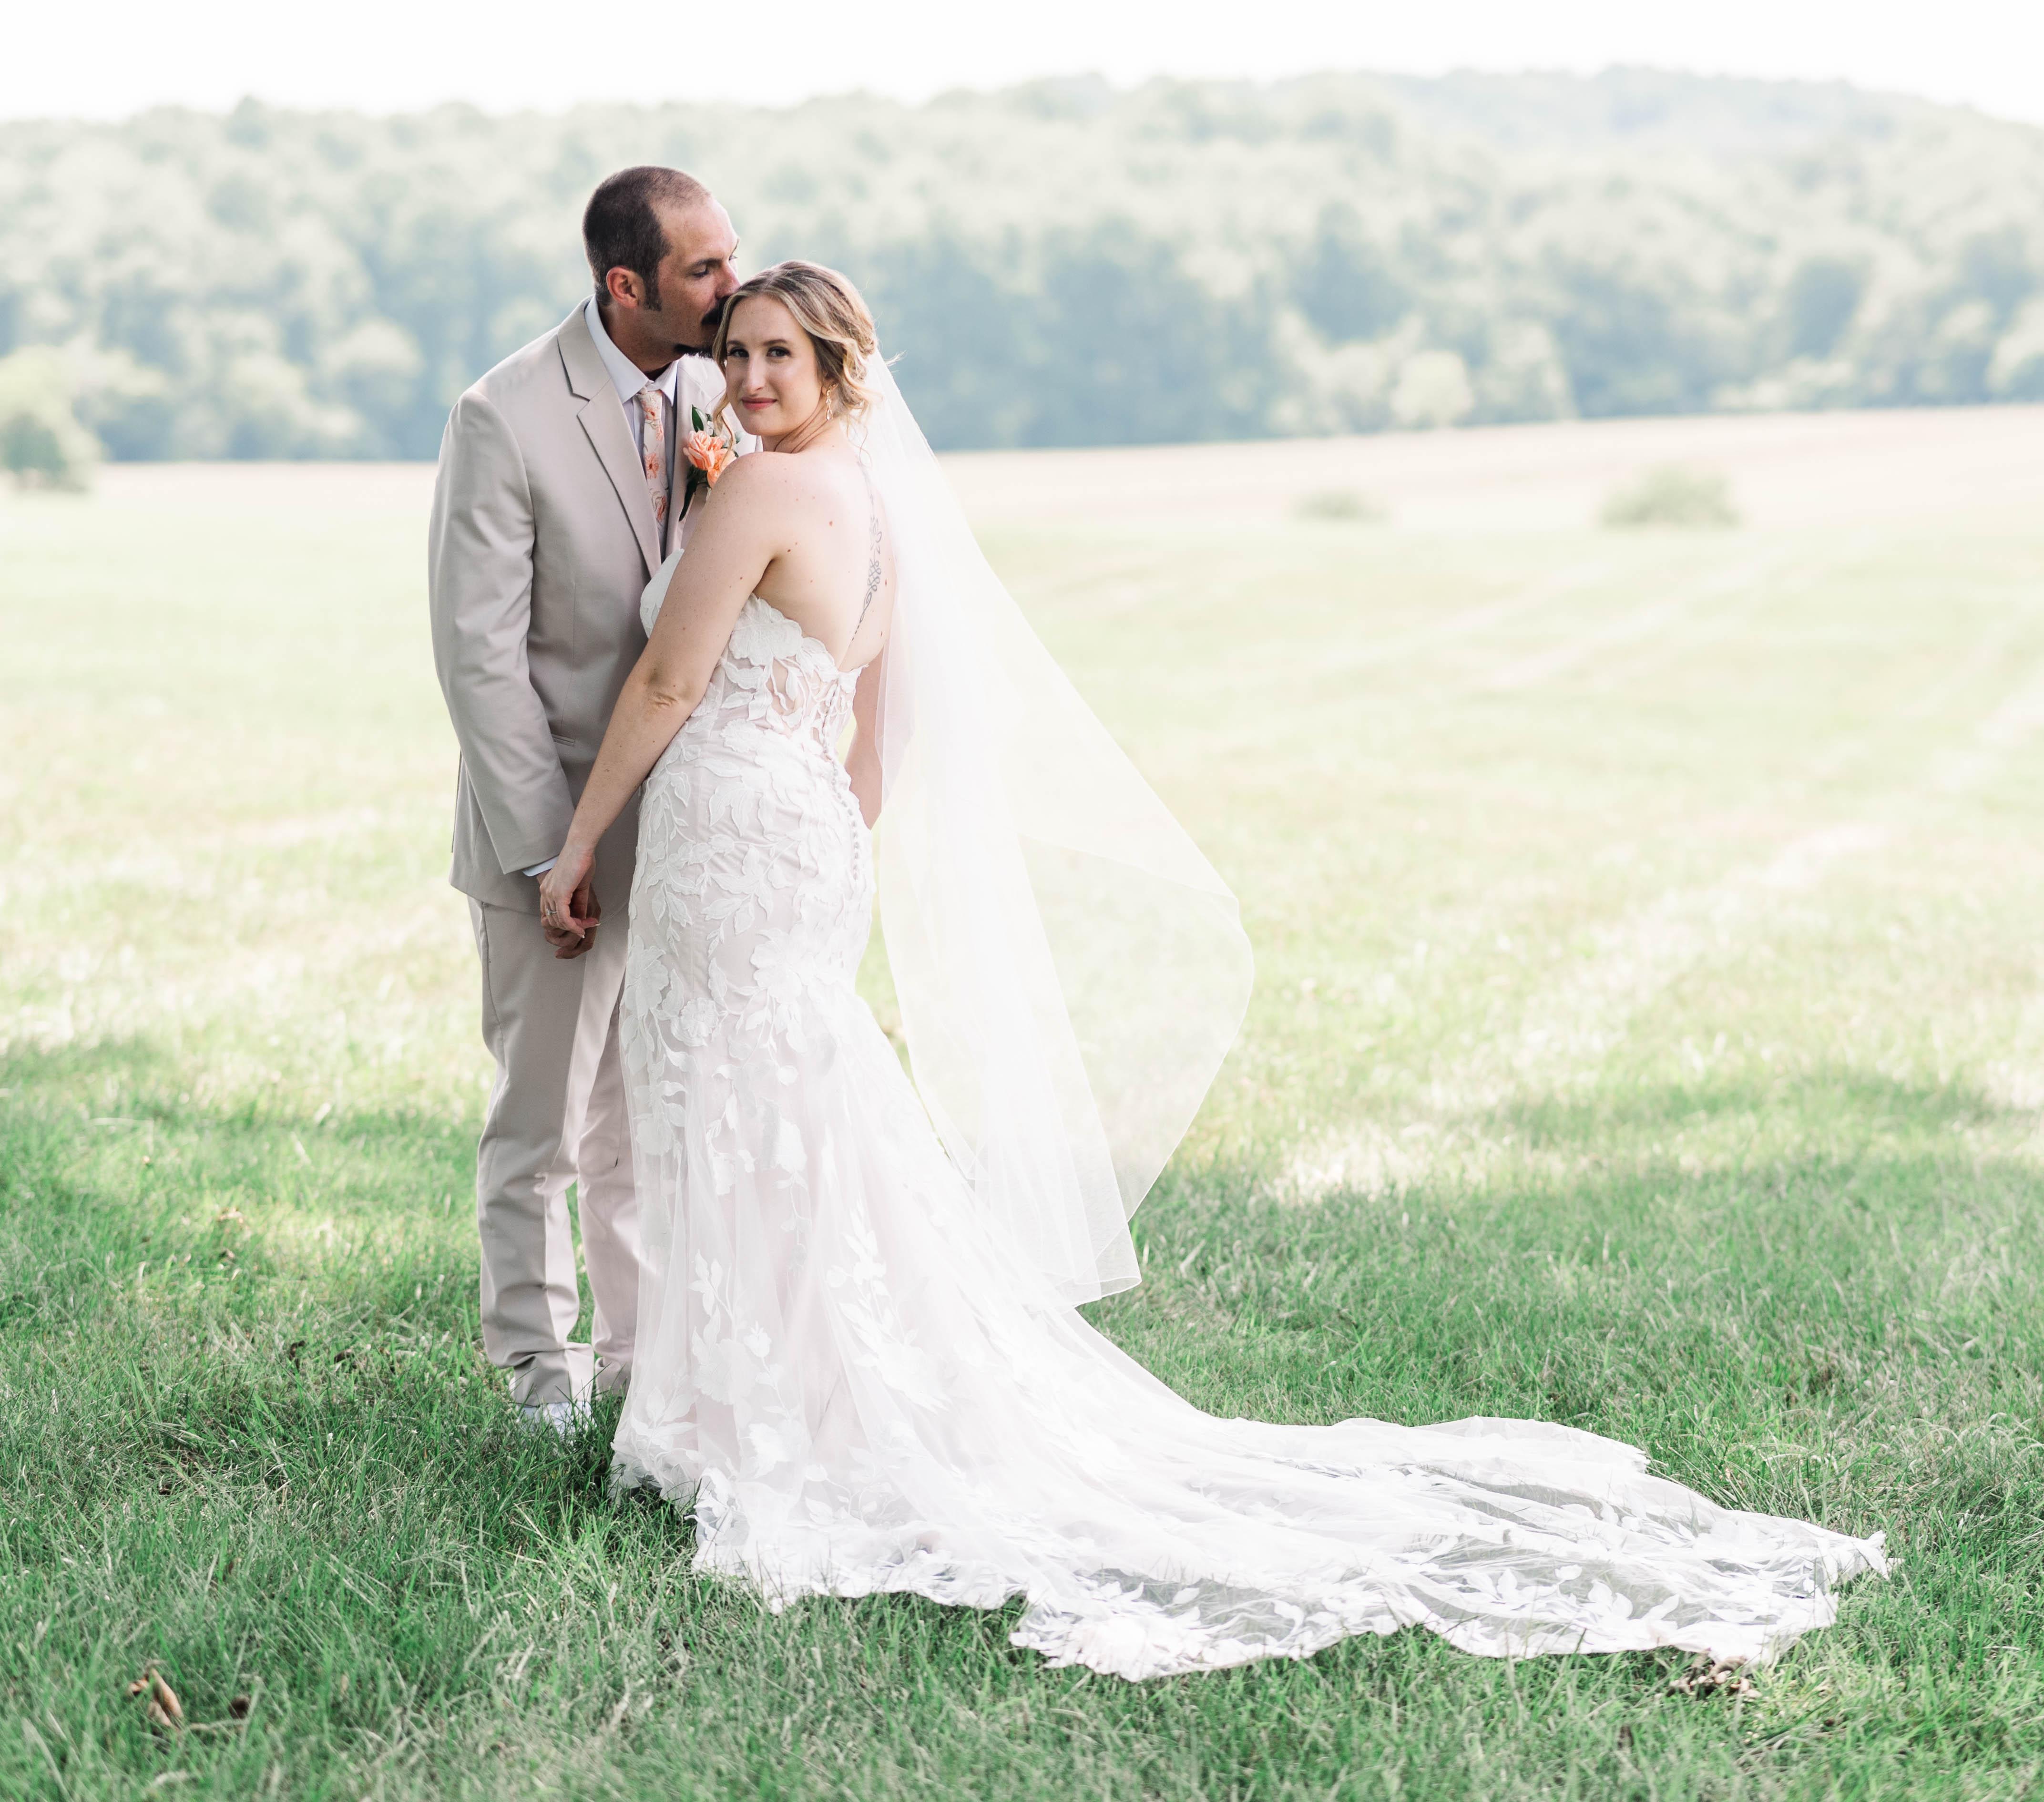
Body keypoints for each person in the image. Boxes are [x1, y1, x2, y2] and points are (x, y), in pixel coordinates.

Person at [534, 259, 1886, 1680]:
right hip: (801, 831)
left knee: (737, 1102)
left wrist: (578, 846)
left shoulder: (762, 491)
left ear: (836, 369)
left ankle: (753, 1415)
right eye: (738, 354)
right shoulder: (873, 506)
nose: (750, 380)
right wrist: (822, 827)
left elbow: (671, 682)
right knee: (792, 1103)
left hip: (734, 824)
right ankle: (786, 1392)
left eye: (780, 358)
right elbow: (883, 730)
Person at [427, 166, 741, 1431]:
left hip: (689, 836)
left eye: (731, 256)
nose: (731, 286)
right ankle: (533, 1379)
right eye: (703, 270)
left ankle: (636, 1366)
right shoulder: (502, 415)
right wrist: (553, 851)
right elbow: (479, 657)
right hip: (551, 834)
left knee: (643, 1126)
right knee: (542, 1130)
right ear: (626, 285)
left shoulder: (725, 389)